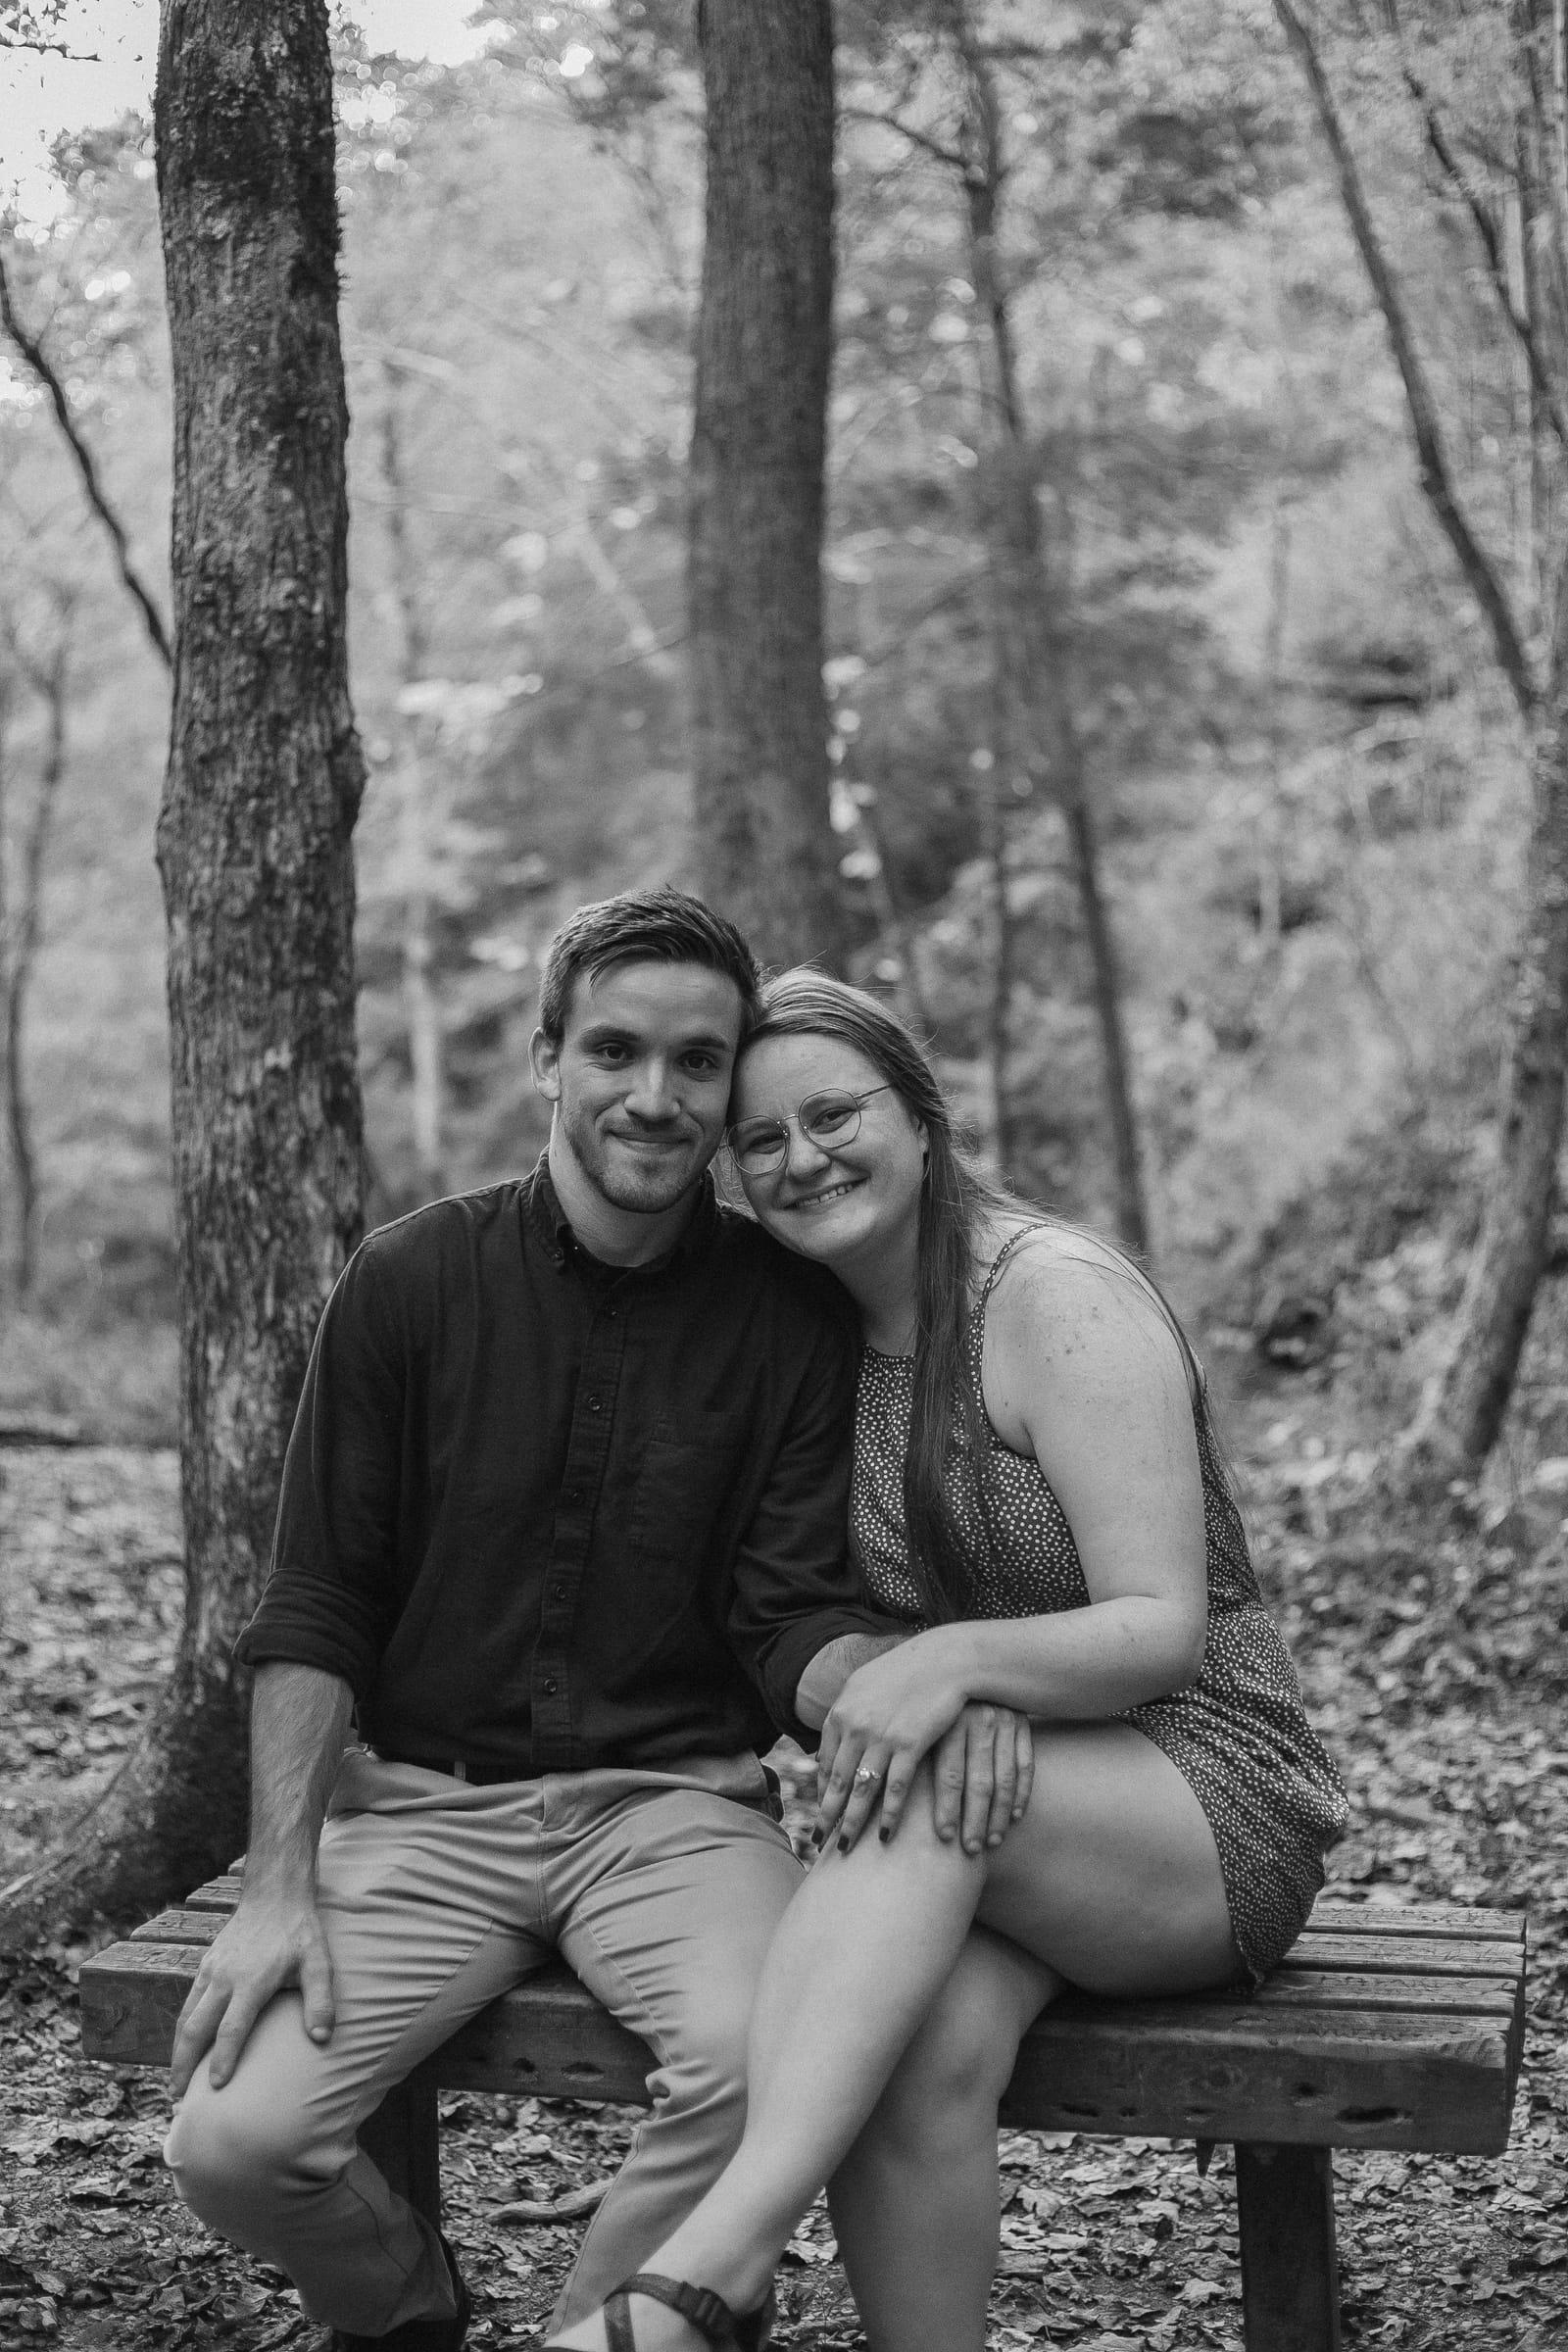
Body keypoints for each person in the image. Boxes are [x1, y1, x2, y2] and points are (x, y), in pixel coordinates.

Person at [162, 896, 1021, 2352]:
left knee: (777, 2066)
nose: (657, 1095)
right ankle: (409, 2304)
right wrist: (276, 1882)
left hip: (674, 1810)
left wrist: (917, 1674)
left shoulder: (788, 1312)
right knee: (229, 2144)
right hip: (424, 1811)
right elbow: (319, 1602)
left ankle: (610, 2332)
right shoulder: (408, 1281)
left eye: (700, 1062)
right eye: (616, 1050)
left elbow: (788, 1609)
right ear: (549, 1061)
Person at [547, 971, 1348, 2352]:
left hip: (1205, 1795)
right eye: (763, 1140)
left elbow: (1157, 1625)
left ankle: (709, 2271)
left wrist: (952, 1670)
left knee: (907, 1779)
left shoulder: (1050, 1299)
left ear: (921, 1116)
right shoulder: (811, 1340)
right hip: (1006, 1804)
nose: (805, 1159)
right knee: (910, 2062)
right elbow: (791, 1614)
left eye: (836, 1114)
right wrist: (946, 1688)